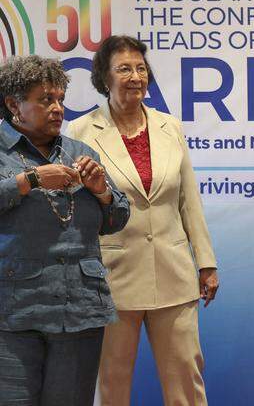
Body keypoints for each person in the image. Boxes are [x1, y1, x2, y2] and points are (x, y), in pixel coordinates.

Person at [66, 35, 219, 406]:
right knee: (112, 382)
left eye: (140, 68)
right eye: (124, 69)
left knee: (187, 379)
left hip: (175, 273)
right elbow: (78, 211)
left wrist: (206, 262)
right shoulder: (79, 132)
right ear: (104, 77)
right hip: (111, 277)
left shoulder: (170, 126)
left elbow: (188, 200)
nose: (135, 76)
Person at [0, 55, 129, 405]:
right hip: (13, 316)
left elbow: (117, 219)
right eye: (45, 100)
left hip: (80, 311)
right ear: (15, 104)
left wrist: (102, 190)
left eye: (60, 100)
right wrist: (30, 180)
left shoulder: (80, 152)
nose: (58, 109)